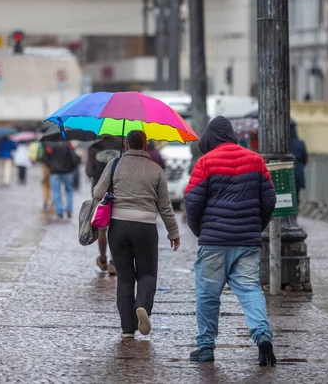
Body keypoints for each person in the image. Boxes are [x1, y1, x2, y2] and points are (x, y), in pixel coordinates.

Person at [184, 116, 277, 366]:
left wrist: (200, 231)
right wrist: (256, 227)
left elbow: (192, 203)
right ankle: (263, 337)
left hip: (214, 242)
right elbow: (269, 200)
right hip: (247, 241)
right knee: (250, 290)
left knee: (208, 294)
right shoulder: (255, 160)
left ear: (210, 139)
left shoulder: (205, 162)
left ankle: (205, 347)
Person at [93, 130, 180, 339]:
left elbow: (97, 193)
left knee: (124, 278)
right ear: (146, 145)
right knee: (147, 274)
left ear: (126, 145)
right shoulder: (156, 170)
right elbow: (165, 206)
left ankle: (127, 330)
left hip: (118, 226)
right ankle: (142, 306)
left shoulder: (114, 165)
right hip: (146, 227)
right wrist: (173, 232)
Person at [86, 136, 122, 276]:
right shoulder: (122, 145)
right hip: (117, 191)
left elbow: (89, 172)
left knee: (102, 228)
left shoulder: (94, 147)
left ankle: (102, 259)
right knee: (116, 227)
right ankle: (113, 262)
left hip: (99, 191)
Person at [43, 141, 80, 220]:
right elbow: (73, 157)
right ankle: (69, 210)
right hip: (68, 172)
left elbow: (45, 158)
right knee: (69, 191)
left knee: (56, 192)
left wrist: (51, 165)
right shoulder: (68, 144)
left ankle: (60, 212)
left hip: (55, 172)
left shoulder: (50, 145)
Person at [290, 122, 308, 207]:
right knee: (296, 193)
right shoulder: (300, 143)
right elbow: (305, 158)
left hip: (288, 169)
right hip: (299, 168)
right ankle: (295, 214)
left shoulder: (285, 144)